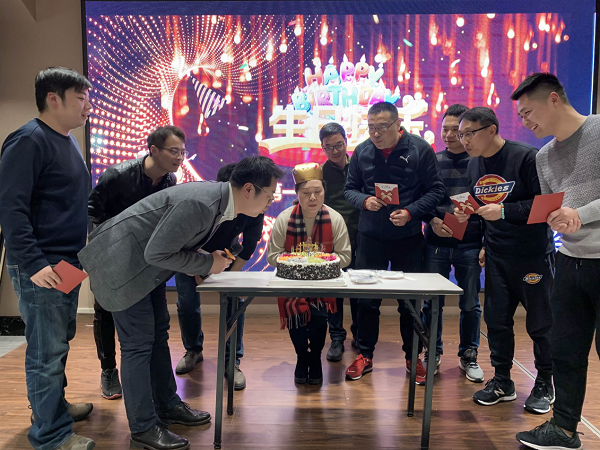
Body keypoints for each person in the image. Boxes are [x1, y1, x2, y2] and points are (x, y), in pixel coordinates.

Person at [78, 156, 283, 450]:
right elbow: (156, 252)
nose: (269, 203)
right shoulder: (202, 203)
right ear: (249, 189)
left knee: (158, 335)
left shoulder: (219, 202)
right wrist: (207, 263)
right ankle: (143, 429)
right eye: (269, 195)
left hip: (145, 270)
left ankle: (167, 405)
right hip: (122, 268)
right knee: (138, 346)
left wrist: (204, 260)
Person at [0, 67, 95, 450]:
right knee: (45, 351)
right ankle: (50, 435)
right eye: (81, 99)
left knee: (59, 341)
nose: (88, 107)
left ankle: (53, 408)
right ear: (53, 99)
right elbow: (11, 209)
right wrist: (35, 264)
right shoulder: (28, 140)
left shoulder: (65, 140)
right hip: (44, 266)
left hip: (67, 262)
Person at [511, 73, 599, 450]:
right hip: (569, 261)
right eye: (521, 116)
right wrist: (555, 218)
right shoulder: (544, 155)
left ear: (553, 100)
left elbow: (576, 209)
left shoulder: (598, 130)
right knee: (566, 350)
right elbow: (553, 206)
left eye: (528, 112)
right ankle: (563, 429)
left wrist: (581, 213)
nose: (525, 122)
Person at [454, 107, 555, 414]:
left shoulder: (526, 157)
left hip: (532, 256)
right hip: (497, 255)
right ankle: (502, 381)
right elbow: (482, 206)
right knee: (497, 321)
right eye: (461, 134)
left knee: (541, 323)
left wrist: (504, 211)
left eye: (469, 134)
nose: (464, 141)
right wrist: (469, 220)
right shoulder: (474, 164)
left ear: (491, 130)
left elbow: (546, 206)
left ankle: (545, 383)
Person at [344, 101, 445, 384]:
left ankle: (413, 356)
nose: (375, 134)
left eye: (382, 127)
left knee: (409, 302)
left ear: (398, 125)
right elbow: (349, 189)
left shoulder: (420, 149)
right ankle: (365, 354)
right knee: (367, 301)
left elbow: (436, 190)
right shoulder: (362, 151)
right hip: (370, 237)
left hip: (407, 238)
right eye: (371, 128)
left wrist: (411, 212)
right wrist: (364, 200)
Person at [88, 125, 183, 400]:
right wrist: (104, 256)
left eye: (182, 152)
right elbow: (92, 213)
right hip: (111, 254)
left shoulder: (169, 180)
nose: (179, 157)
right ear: (154, 150)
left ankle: (156, 382)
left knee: (154, 323)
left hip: (145, 260)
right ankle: (108, 369)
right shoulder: (117, 175)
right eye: (173, 151)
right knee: (106, 312)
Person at [174, 162, 265, 391]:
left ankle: (231, 361)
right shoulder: (205, 203)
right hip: (189, 253)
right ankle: (193, 350)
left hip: (226, 254)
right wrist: (199, 271)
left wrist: (228, 277)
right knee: (187, 302)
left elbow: (249, 244)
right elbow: (183, 240)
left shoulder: (255, 205)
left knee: (235, 303)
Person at [267, 163, 351, 384]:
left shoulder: (335, 219)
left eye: (317, 192)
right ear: (297, 194)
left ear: (324, 192)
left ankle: (315, 358)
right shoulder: (284, 219)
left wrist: (318, 263)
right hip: (292, 283)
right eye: (306, 193)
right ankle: (301, 357)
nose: (312, 198)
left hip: (323, 284)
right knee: (296, 318)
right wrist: (300, 263)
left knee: (318, 319)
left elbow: (345, 256)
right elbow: (273, 255)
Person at [421, 104, 484, 383]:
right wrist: (432, 220)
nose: (448, 135)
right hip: (436, 243)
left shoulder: (480, 163)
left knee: (470, 303)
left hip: (469, 244)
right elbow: (421, 200)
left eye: (455, 131)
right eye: (444, 129)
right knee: (431, 302)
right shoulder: (432, 161)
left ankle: (469, 354)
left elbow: (488, 205)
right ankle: (431, 352)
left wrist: (485, 242)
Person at [319, 123, 360, 362]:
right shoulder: (320, 173)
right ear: (322, 147)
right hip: (332, 239)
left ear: (346, 141)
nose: (335, 151)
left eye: (339, 145)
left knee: (358, 288)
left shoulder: (360, 165)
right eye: (329, 147)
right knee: (333, 290)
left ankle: (358, 333)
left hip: (361, 235)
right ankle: (336, 337)